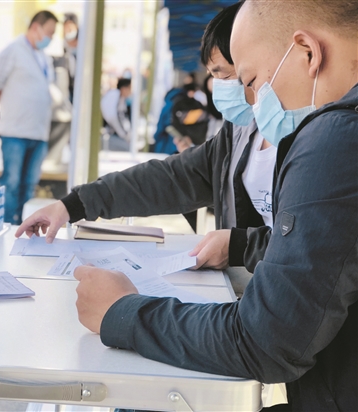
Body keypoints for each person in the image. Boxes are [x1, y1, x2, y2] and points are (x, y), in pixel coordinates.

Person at [73, 1, 358, 411]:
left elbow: (265, 340)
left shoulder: (335, 138)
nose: (253, 102)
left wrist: (123, 313)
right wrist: (241, 244)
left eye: (252, 81)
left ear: (308, 53)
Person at [17, 2, 273, 266]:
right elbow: (170, 178)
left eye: (223, 75)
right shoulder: (238, 133)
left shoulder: (294, 136)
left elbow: (298, 244)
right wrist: (73, 205)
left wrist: (238, 247)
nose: (217, 87)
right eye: (212, 76)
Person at [0, 10, 57, 225]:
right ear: (36, 27)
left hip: (39, 132)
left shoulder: (44, 57)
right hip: (15, 132)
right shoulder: (13, 50)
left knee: (29, 185)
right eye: (49, 32)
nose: (51, 37)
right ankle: (7, 226)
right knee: (11, 182)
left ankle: (25, 227)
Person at [101, 77, 132, 152]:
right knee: (127, 148)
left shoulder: (121, 98)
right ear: (124, 88)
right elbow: (112, 118)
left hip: (114, 134)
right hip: (108, 135)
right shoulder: (114, 95)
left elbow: (122, 119)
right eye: (129, 88)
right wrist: (124, 135)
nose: (130, 91)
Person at [63, 12, 78, 103]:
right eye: (66, 27)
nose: (68, 30)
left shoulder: (84, 49)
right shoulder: (62, 46)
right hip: (67, 90)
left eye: (70, 27)